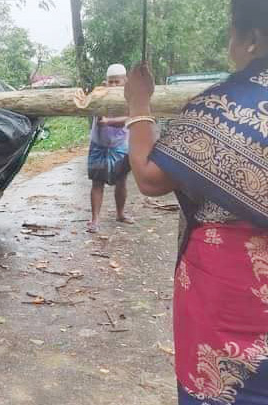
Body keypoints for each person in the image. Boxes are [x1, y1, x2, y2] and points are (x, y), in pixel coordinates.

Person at [124, 1, 268, 403]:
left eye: (231, 32)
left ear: (251, 38)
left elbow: (151, 178)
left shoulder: (222, 108)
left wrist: (138, 104)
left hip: (232, 290)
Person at [87, 64, 134, 233]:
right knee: (97, 182)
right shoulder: (99, 95)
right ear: (105, 82)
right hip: (98, 145)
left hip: (121, 144)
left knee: (121, 181)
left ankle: (120, 214)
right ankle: (95, 220)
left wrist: (108, 121)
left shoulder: (130, 97)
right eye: (111, 82)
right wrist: (102, 116)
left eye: (117, 82)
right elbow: (96, 114)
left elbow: (130, 118)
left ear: (125, 81)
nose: (113, 85)